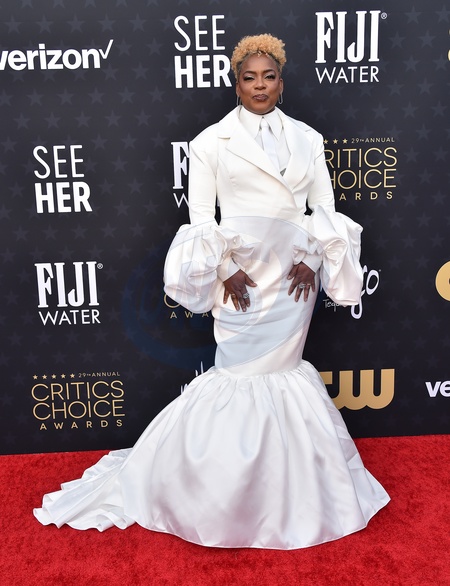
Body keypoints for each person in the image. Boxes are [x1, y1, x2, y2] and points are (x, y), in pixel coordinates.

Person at [34, 34, 389, 549]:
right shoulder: (209, 143)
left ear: (282, 82)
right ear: (236, 83)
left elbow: (324, 208)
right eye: (249, 78)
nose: (260, 86)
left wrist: (312, 260)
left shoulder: (308, 139)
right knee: (239, 374)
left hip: (294, 279)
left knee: (285, 373)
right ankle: (219, 496)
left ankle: (293, 496)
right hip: (242, 277)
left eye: (269, 77)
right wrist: (225, 271)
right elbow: (201, 218)